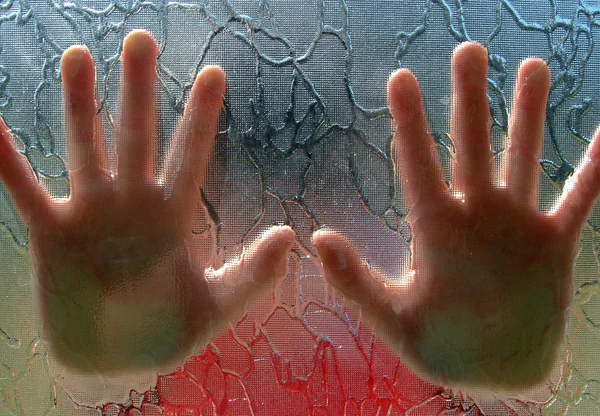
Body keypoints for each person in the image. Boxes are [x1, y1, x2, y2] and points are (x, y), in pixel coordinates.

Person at [0, 30, 598, 392]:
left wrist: (492, 388)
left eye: (341, 175)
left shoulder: (414, 308)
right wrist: (105, 378)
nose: (302, 226)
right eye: (242, 185)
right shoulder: (196, 350)